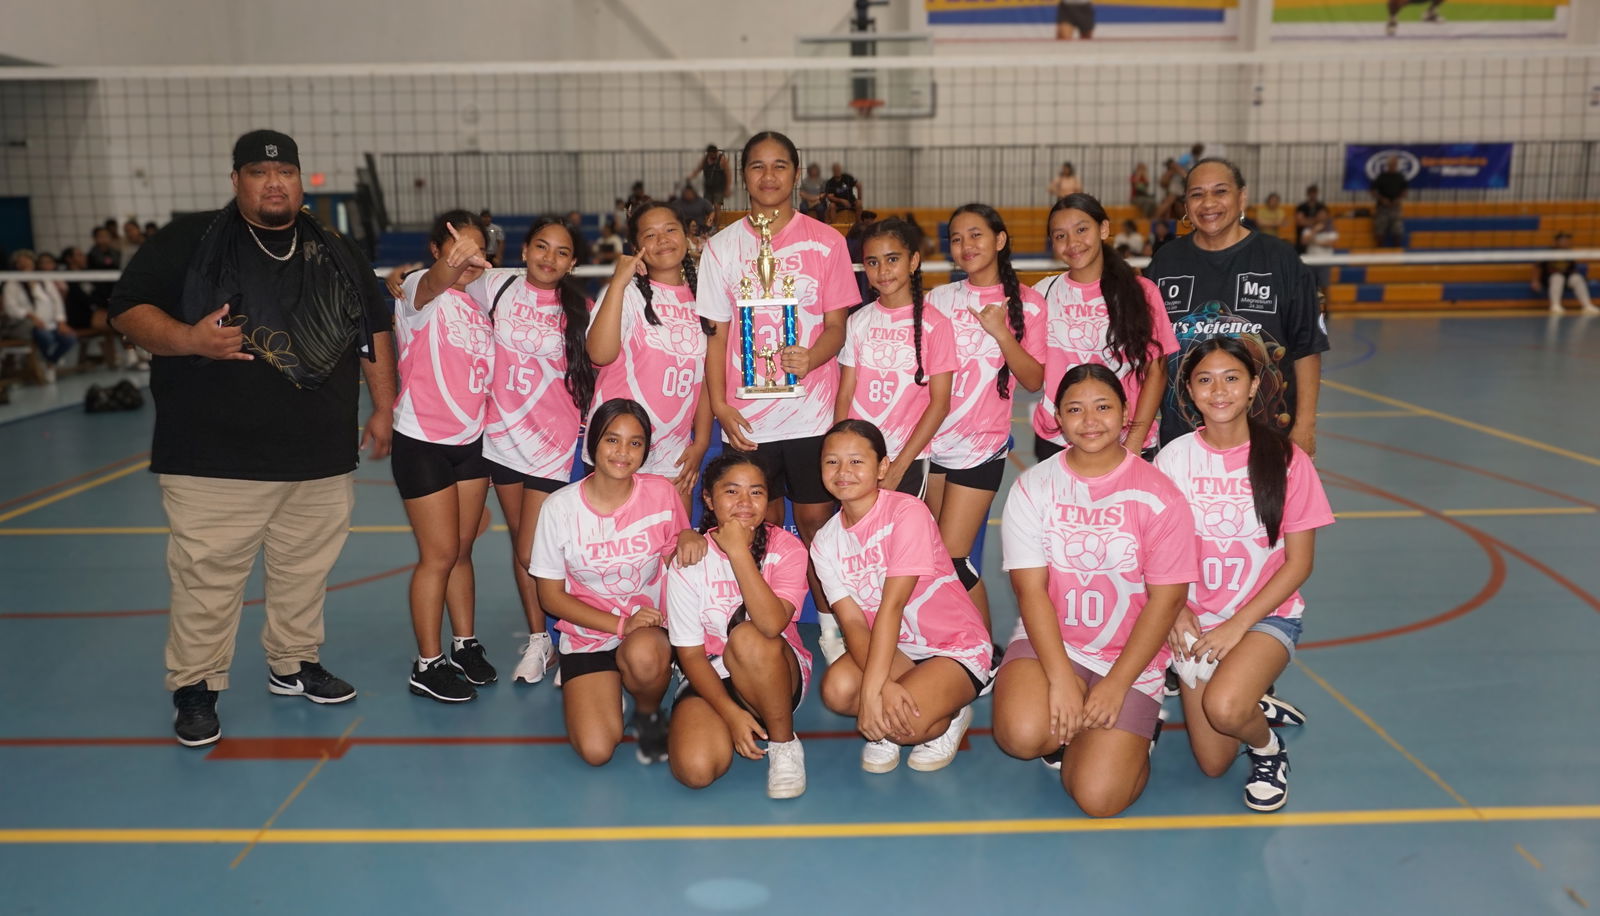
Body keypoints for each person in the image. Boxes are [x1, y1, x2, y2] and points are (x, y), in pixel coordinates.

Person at [108, 129, 395, 747]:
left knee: (305, 570)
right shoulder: (190, 240)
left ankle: (293, 663)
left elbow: (371, 327)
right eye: (260, 174)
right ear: (235, 180)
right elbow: (128, 309)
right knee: (207, 580)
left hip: (318, 455)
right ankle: (197, 685)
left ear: (299, 179)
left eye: (285, 172)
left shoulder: (336, 247)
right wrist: (189, 340)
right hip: (214, 457)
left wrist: (384, 405)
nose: (274, 184)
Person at [993, 364, 1198, 817]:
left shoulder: (1160, 494)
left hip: (1129, 655)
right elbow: (1031, 593)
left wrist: (1116, 686)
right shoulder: (1033, 487)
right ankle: (1076, 725)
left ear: (1126, 413)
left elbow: (1166, 600)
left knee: (1098, 798)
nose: (1090, 421)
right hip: (1054, 642)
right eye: (1075, 409)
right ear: (1056, 419)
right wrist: (1062, 678)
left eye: (1103, 407)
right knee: (1022, 737)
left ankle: (1133, 738)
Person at [695, 130, 859, 662]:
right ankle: (751, 623)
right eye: (758, 166)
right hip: (747, 421)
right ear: (744, 175)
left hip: (810, 417)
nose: (769, 177)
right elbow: (716, 335)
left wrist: (810, 358)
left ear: (796, 173)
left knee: (814, 527)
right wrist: (720, 404)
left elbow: (836, 326)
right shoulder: (722, 247)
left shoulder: (827, 242)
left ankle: (829, 628)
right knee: (752, 526)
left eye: (780, 166)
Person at [1154, 337, 1332, 811]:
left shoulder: (1287, 460)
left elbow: (1300, 563)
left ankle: (1269, 749)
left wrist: (1237, 625)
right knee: (1212, 763)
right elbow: (1156, 551)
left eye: (1232, 378)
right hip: (1195, 618)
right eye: (1204, 380)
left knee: (1226, 709)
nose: (1219, 391)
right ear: (1189, 392)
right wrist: (1178, 611)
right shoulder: (1173, 458)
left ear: (1254, 386)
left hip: (1263, 616)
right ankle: (1252, 697)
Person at [811, 419, 993, 774]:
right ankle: (918, 698)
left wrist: (873, 695)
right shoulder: (825, 543)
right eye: (832, 462)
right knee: (837, 689)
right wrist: (883, 688)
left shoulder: (907, 512)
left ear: (882, 467)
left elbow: (892, 607)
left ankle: (952, 714)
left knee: (899, 728)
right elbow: (852, 622)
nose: (843, 471)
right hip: (895, 648)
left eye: (856, 461)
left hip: (952, 645)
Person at [528, 398, 700, 765]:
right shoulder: (559, 508)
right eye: (612, 440)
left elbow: (678, 548)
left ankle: (648, 711)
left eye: (635, 443)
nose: (623, 452)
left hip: (647, 632)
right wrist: (621, 624)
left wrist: (689, 537)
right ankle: (607, 689)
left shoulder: (660, 493)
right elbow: (551, 598)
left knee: (644, 655)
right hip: (589, 635)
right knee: (596, 750)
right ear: (593, 445)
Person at [465, 217, 596, 686]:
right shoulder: (495, 286)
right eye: (542, 246)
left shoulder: (582, 309)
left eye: (562, 252)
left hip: (551, 446)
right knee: (523, 548)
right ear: (524, 250)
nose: (549, 257)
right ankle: (541, 640)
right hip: (501, 439)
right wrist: (404, 279)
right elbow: (437, 282)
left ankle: (575, 638)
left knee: (534, 551)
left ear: (574, 262)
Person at [1148, 158, 1329, 458]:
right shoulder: (1165, 263)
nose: (1208, 203)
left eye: (1220, 191)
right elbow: (1151, 356)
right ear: (1186, 205)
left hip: (1268, 439)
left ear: (1241, 197)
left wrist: (1305, 427)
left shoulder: (1281, 260)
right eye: (1197, 194)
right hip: (1184, 445)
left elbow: (1307, 347)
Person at [926, 204, 1046, 644]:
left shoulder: (1028, 304)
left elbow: (1034, 378)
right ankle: (945, 644)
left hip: (981, 448)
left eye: (976, 235)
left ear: (1000, 240)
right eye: (956, 238)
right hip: (930, 447)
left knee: (954, 559)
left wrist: (1002, 333)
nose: (965, 246)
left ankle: (986, 651)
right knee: (929, 560)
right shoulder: (938, 300)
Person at [392, 211, 496, 703]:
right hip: (423, 442)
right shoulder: (419, 290)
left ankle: (465, 643)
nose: (469, 261)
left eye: (478, 251)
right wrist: (445, 267)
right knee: (437, 557)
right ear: (437, 251)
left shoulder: (479, 303)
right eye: (458, 251)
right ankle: (427, 663)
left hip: (470, 444)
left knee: (461, 551)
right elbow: (433, 280)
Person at [666, 452, 813, 798]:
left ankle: (783, 744)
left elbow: (771, 624)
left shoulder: (787, 548)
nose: (745, 503)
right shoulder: (690, 558)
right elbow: (689, 655)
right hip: (711, 674)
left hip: (774, 669)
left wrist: (738, 552)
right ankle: (736, 720)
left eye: (757, 492)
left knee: (748, 637)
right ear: (708, 499)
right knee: (696, 770)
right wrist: (730, 714)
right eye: (732, 492)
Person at [1031, 194, 1177, 464]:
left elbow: (1156, 372)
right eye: (1060, 236)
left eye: (1082, 229)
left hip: (1124, 443)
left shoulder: (1141, 292)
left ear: (1104, 229)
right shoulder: (1043, 293)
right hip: (1057, 441)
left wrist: (1133, 443)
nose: (1072, 242)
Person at [587, 201, 712, 506]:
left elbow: (707, 377)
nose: (663, 240)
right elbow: (599, 355)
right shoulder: (626, 293)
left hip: (676, 450)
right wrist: (618, 281)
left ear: (687, 236)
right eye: (650, 235)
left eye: (670, 230)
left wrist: (702, 443)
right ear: (636, 246)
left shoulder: (706, 297)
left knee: (672, 548)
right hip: (620, 444)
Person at [836, 218, 956, 499]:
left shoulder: (935, 325)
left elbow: (940, 404)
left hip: (906, 459)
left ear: (913, 261)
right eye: (873, 262)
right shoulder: (857, 321)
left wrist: (899, 465)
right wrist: (839, 451)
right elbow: (845, 394)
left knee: (899, 538)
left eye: (892, 259)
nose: (882, 270)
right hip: (857, 457)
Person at [3, 249, 75, 383]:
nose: (25, 265)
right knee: (45, 337)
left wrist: (61, 321)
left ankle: (50, 362)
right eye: (21, 263)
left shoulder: (43, 280)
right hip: (28, 325)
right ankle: (49, 362)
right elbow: (10, 308)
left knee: (69, 338)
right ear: (16, 265)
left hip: (51, 323)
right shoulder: (11, 284)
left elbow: (57, 301)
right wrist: (30, 316)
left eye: (27, 261)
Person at [1537, 232, 1598, 314]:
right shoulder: (1549, 252)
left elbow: (1572, 269)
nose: (1566, 242)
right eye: (1563, 240)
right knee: (1557, 277)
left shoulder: (1569, 252)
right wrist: (1535, 281)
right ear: (1556, 242)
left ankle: (1587, 305)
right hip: (1550, 279)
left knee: (1577, 278)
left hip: (1566, 278)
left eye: (1567, 240)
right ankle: (1555, 305)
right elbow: (1537, 267)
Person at [1371, 156, 1408, 248]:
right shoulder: (1381, 177)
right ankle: (1379, 250)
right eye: (1391, 164)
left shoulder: (1401, 177)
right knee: (1379, 230)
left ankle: (1397, 250)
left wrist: (1398, 199)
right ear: (1387, 165)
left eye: (1395, 164)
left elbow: (1405, 191)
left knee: (1398, 230)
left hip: (1395, 208)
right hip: (1382, 208)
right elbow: (1373, 191)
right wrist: (1382, 199)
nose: (1393, 166)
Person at [1293, 184, 1329, 256]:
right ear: (1308, 194)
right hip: (1301, 239)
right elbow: (1300, 222)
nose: (1313, 195)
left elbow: (1324, 222)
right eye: (1311, 192)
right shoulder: (1301, 207)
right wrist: (1316, 220)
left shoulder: (1321, 206)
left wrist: (1306, 221)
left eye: (1314, 192)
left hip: (1317, 239)